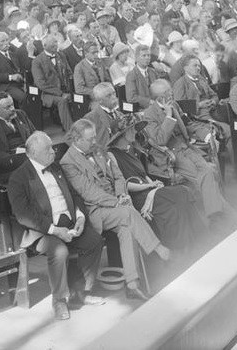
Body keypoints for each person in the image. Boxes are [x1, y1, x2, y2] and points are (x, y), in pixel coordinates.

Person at [60, 120, 169, 300]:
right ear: (77, 139)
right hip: (96, 210)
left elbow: (119, 177)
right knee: (128, 213)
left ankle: (132, 284)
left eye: (95, 137)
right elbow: (89, 193)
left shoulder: (100, 149)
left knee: (127, 230)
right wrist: (117, 203)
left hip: (116, 203)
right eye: (90, 139)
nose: (95, 142)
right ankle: (158, 249)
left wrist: (121, 195)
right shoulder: (68, 162)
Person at [6, 131, 105, 321]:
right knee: (59, 251)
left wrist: (80, 216)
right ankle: (59, 300)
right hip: (41, 231)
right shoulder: (19, 178)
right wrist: (54, 230)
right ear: (33, 153)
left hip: (68, 223)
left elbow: (74, 195)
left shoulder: (55, 168)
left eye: (52, 147)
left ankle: (81, 292)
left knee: (94, 241)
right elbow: (23, 215)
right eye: (48, 149)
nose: (53, 152)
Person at [143, 79, 230, 219]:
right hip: (171, 154)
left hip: (187, 148)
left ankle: (216, 214)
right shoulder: (149, 114)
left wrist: (207, 135)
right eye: (168, 92)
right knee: (205, 175)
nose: (172, 93)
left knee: (208, 171)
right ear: (160, 97)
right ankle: (222, 215)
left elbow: (188, 124)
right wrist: (169, 116)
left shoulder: (175, 104)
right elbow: (160, 140)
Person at [0, 90, 35, 157]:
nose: (12, 109)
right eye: (8, 107)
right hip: (8, 157)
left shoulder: (20, 114)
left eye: (12, 104)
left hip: (29, 151)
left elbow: (34, 133)